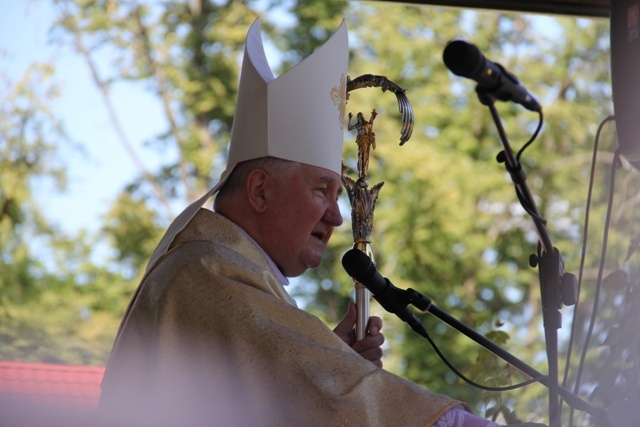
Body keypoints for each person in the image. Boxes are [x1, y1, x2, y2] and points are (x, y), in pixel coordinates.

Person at [97, 18, 545, 427]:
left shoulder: (220, 273)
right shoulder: (205, 273)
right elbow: (343, 403)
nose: (335, 216)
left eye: (337, 194)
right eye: (320, 191)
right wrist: (327, 384)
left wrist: (331, 365)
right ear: (259, 191)